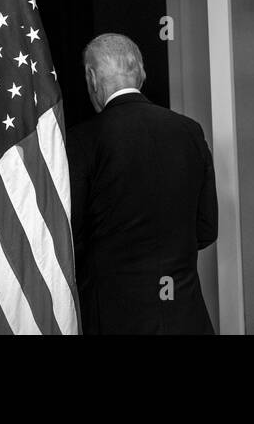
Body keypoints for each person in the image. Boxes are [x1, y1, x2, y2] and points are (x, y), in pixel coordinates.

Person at [67, 33, 217, 334]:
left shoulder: (82, 140)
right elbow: (206, 229)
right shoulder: (189, 131)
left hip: (115, 319)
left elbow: (73, 236)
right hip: (185, 317)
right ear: (142, 73)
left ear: (92, 77)